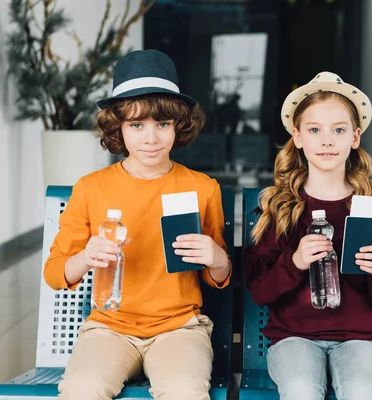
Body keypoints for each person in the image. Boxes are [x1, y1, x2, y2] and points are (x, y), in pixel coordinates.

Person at [44, 49, 231, 400]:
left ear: (179, 125)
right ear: (118, 127)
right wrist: (86, 257)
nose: (151, 137)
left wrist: (217, 258)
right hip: (108, 328)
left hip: (180, 328)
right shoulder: (91, 188)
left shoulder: (203, 188)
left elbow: (217, 278)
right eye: (136, 125)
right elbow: (55, 273)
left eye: (162, 124)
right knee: (82, 390)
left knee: (184, 392)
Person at [244, 72, 372, 400]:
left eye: (338, 130)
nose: (326, 141)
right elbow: (260, 293)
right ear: (297, 137)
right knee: (300, 390)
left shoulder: (370, 210)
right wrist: (294, 262)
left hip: (360, 338)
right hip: (294, 338)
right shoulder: (283, 209)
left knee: (361, 391)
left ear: (355, 137)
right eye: (314, 130)